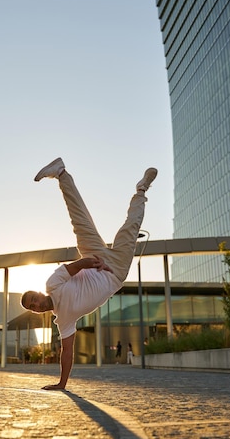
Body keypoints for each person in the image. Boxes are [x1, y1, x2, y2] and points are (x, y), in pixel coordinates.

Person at [21, 158, 157, 390]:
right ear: (36, 311)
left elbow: (75, 267)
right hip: (115, 272)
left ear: (38, 292)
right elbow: (67, 351)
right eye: (34, 307)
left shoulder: (52, 283)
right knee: (131, 227)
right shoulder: (63, 320)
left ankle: (61, 173)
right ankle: (141, 189)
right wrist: (62, 384)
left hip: (94, 259)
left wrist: (92, 262)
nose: (38, 305)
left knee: (80, 220)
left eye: (34, 299)